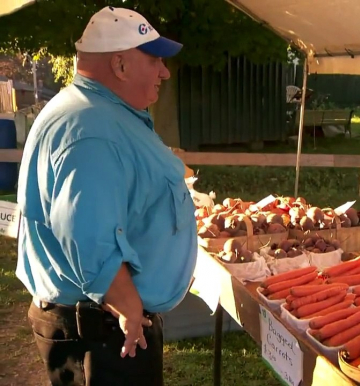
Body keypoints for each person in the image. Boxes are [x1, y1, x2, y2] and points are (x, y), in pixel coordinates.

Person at [15, 6, 197, 385]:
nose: (164, 71)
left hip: (99, 322)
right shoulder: (90, 127)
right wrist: (128, 307)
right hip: (101, 329)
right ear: (121, 65)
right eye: (154, 60)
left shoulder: (95, 111)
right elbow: (86, 231)